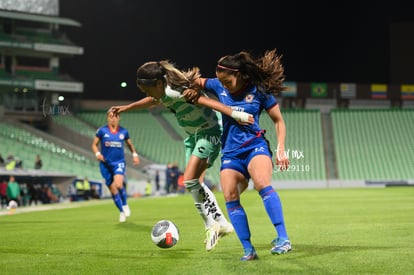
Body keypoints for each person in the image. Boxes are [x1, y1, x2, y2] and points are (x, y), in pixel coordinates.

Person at [111, 60, 253, 251]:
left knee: (189, 180)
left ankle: (212, 225)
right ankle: (222, 224)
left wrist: (236, 114)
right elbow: (152, 101)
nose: (147, 94)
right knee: (193, 184)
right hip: (193, 136)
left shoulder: (175, 92)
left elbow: (207, 101)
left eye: (147, 90)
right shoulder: (163, 93)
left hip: (210, 132)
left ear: (159, 84)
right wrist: (126, 108)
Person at [186, 49, 292, 260]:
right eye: (221, 82)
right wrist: (190, 88)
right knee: (230, 196)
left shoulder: (259, 90)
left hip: (255, 146)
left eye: (227, 82)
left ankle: (283, 238)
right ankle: (248, 249)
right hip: (230, 153)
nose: (223, 86)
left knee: (262, 183)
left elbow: (279, 121)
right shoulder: (217, 84)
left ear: (239, 75)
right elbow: (194, 82)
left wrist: (281, 148)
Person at [92, 109, 141, 222]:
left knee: (118, 185)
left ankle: (124, 204)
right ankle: (121, 212)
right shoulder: (102, 131)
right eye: (110, 116)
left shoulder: (123, 132)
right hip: (105, 164)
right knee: (113, 190)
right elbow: (94, 145)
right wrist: (97, 153)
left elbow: (130, 144)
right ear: (107, 118)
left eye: (114, 116)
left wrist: (134, 155)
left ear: (119, 118)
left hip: (118, 162)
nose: (112, 118)